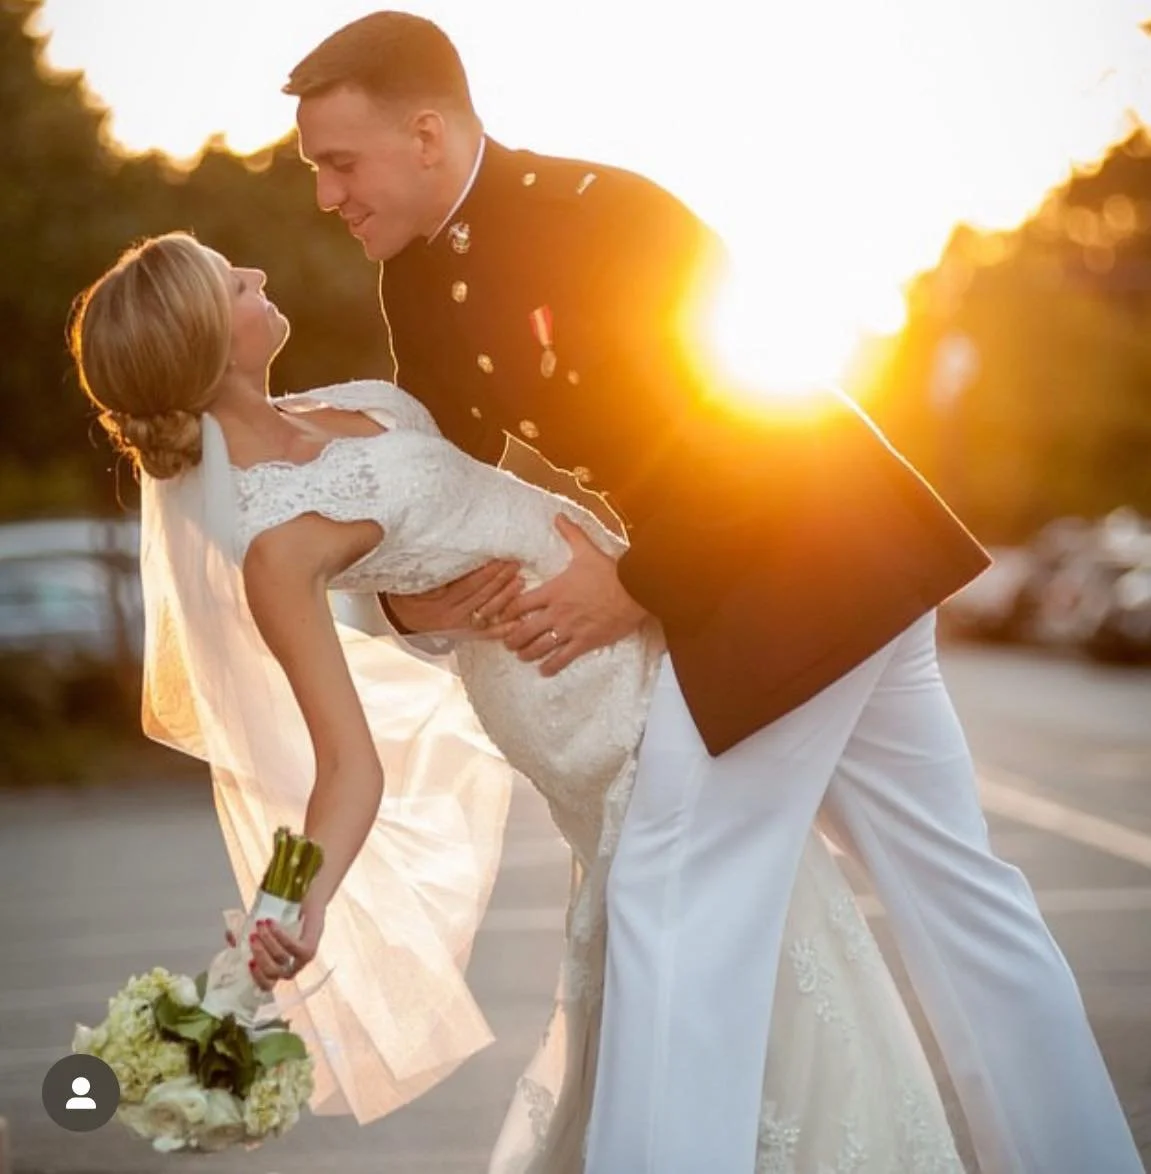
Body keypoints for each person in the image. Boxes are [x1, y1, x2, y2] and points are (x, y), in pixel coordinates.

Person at [280, 12, 1145, 1174]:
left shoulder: (608, 214)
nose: (327, 195)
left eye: (340, 163)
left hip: (797, 557)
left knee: (671, 884)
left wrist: (635, 583)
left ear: (426, 134)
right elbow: (446, 484)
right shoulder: (421, 279)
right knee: (955, 896)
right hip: (816, 566)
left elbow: (751, 418)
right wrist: (405, 604)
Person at [69, 231, 972, 1170]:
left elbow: (441, 520)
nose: (259, 273)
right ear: (208, 343)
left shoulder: (328, 406)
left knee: (746, 910)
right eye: (233, 283)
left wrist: (415, 603)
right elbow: (345, 763)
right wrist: (291, 905)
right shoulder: (272, 545)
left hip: (631, 631)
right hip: (565, 684)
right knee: (731, 913)